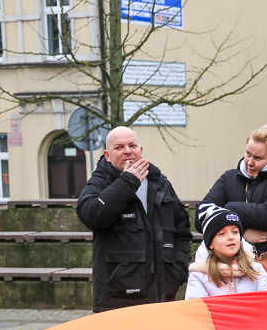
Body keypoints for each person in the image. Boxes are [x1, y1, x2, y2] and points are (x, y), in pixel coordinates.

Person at [77, 126, 191, 312]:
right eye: (119, 147)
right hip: (117, 300)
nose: (127, 151)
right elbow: (90, 215)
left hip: (162, 297)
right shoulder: (99, 182)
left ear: (141, 150)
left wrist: (177, 273)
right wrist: (128, 181)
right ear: (107, 154)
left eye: (132, 145)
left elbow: (182, 230)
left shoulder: (160, 183)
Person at [197, 123, 267, 288]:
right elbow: (201, 216)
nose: (250, 162)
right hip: (231, 273)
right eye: (248, 154)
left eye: (258, 158)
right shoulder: (229, 178)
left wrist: (229, 209)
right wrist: (240, 235)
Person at [185, 207, 267, 298]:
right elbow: (196, 309)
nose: (231, 237)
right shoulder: (198, 275)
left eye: (235, 232)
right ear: (210, 243)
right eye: (222, 234)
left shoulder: (256, 269)